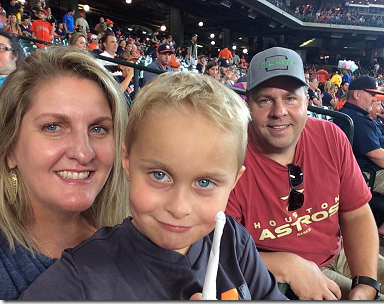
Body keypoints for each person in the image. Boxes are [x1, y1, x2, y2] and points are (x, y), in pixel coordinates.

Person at [18, 72, 287, 301]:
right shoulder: (80, 279)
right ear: (127, 163)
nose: (179, 207)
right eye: (160, 175)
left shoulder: (234, 242)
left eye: (204, 182)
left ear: (234, 183)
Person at [225, 47, 384, 300]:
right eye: (265, 100)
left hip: (339, 253)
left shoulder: (330, 137)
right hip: (274, 272)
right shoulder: (230, 156)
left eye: (290, 98)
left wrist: (366, 282)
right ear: (248, 105)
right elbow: (214, 247)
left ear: (307, 101)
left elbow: (356, 214)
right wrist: (286, 265)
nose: (279, 111)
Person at [0, 46, 129, 300]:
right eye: (53, 126)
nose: (84, 153)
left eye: (98, 129)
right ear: (10, 148)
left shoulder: (139, 242)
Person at [335, 76, 384, 251]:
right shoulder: (356, 119)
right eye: (371, 94)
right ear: (356, 94)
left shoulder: (359, 116)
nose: (375, 98)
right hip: (373, 173)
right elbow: (376, 155)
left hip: (380, 170)